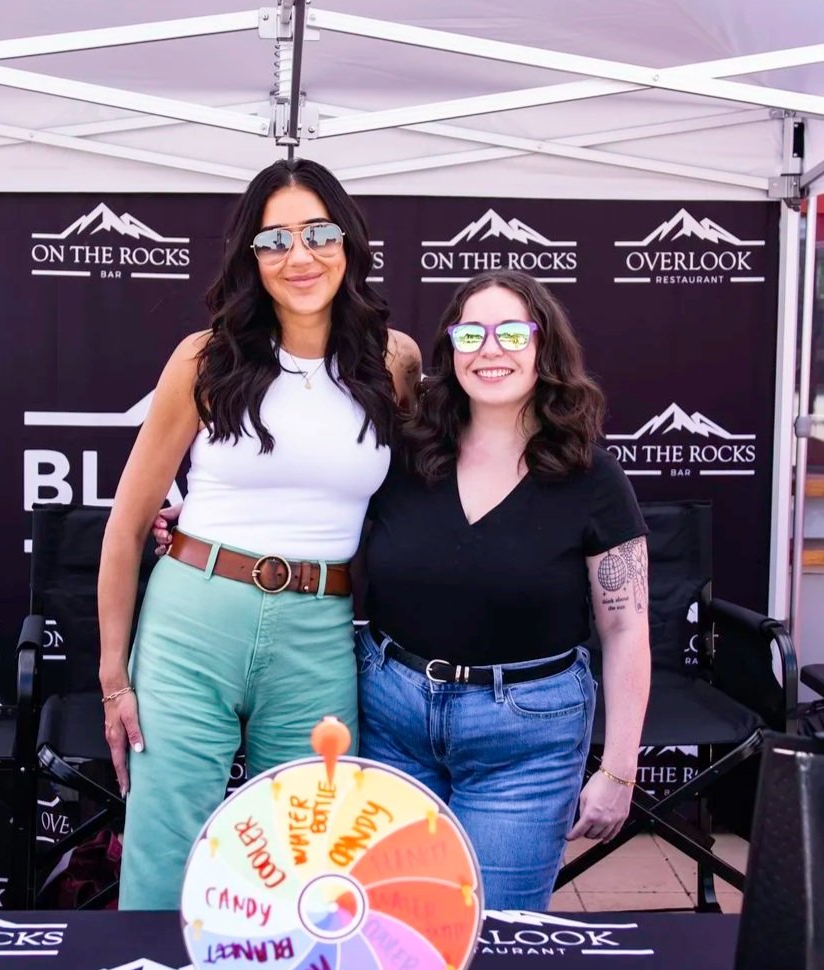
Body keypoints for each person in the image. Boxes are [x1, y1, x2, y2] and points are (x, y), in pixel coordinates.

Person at [99, 157, 420, 910]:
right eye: (274, 240)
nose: (298, 256)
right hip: (192, 619)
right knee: (166, 844)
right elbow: (125, 523)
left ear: (350, 241)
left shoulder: (394, 360)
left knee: (306, 849)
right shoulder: (205, 359)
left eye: (317, 233)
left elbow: (418, 502)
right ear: (250, 255)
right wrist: (114, 676)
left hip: (318, 629)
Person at [356, 270, 650, 910]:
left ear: (545, 349)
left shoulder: (590, 475)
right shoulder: (404, 456)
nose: (491, 349)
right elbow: (310, 520)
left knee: (496, 937)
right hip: (392, 718)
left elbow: (627, 629)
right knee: (394, 922)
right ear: (450, 350)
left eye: (513, 331)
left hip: (525, 735)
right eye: (472, 333)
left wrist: (620, 768)